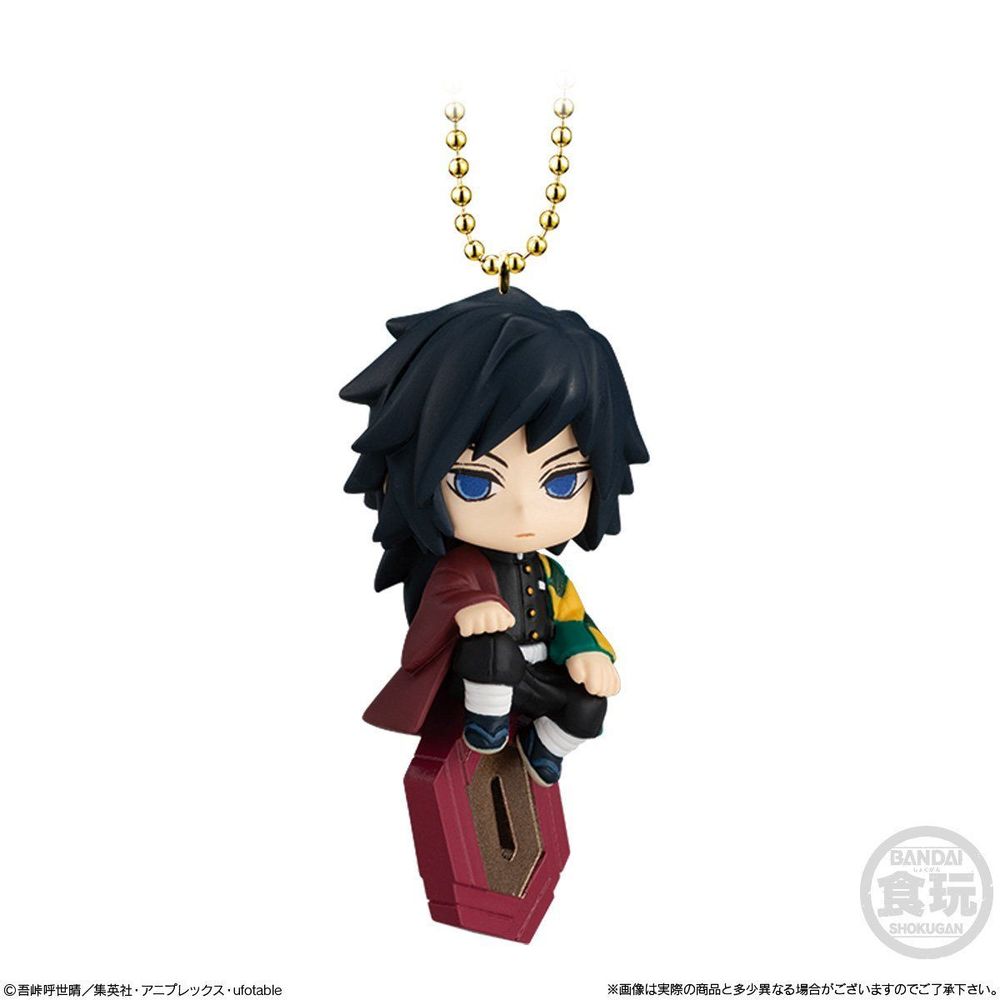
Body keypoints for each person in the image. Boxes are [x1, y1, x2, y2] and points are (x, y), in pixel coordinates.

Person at [341, 288, 648, 784]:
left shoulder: (550, 574)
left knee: (590, 704)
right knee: (491, 650)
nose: (524, 509)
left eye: (562, 482)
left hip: (538, 677)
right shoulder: (461, 566)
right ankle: (485, 723)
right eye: (476, 483)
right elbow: (443, 598)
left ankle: (545, 748)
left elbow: (573, 619)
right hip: (480, 674)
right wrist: (471, 608)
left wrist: (589, 652)